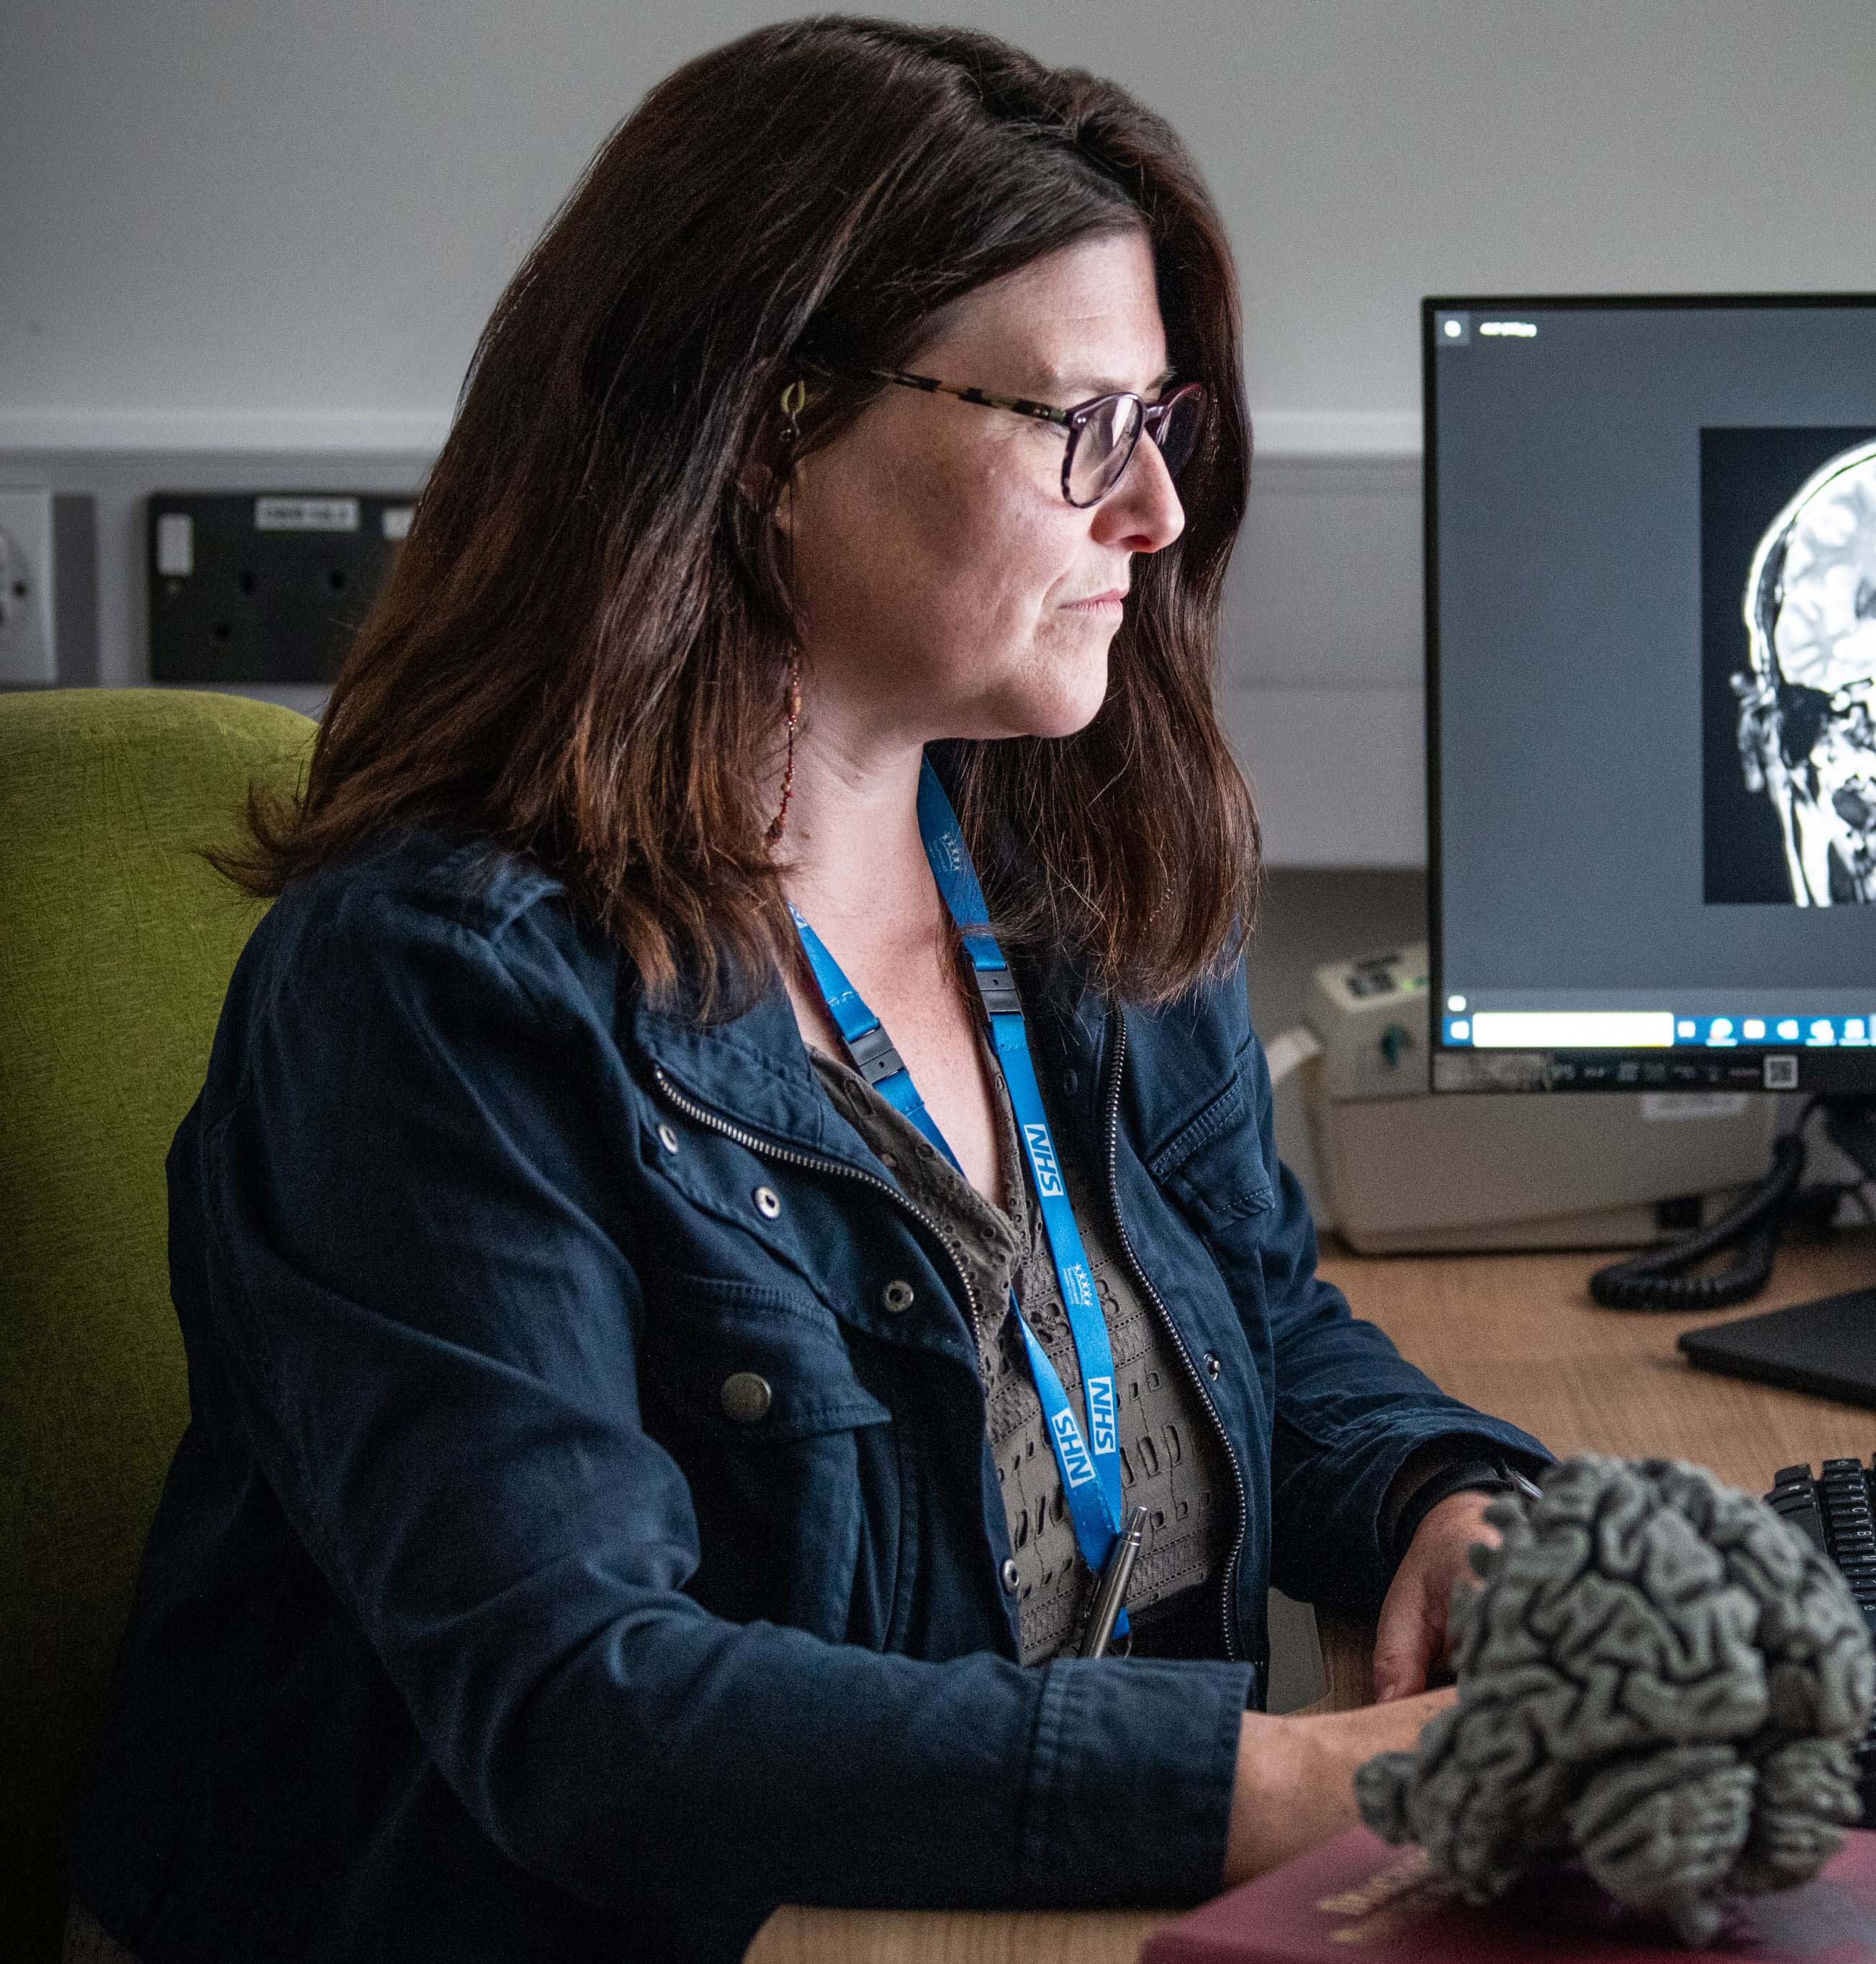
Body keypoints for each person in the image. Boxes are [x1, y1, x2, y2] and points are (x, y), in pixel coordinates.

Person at [63, 19, 1550, 1963]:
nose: (1156, 518)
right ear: (767, 433)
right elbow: (594, 1719)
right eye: (1078, 428)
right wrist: (1315, 1785)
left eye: (1162, 426)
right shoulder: (431, 994)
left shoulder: (1074, 872)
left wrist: (1447, 1495)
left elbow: (1256, 1318)